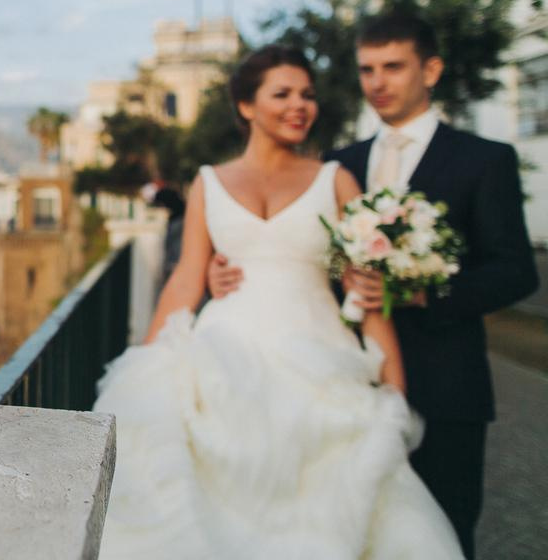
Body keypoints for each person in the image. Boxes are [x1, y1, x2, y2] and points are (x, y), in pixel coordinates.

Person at [95, 45, 463, 559]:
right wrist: (148, 361)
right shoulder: (207, 182)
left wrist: (395, 387)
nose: (300, 105)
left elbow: (363, 281)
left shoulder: (336, 180)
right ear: (247, 106)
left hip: (321, 355)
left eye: (307, 94)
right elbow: (185, 279)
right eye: (283, 94)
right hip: (225, 351)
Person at [207, 15, 538, 558]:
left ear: (430, 70)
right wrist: (217, 271)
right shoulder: (337, 163)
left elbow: (515, 270)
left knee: (444, 535)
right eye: (367, 70)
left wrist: (427, 295)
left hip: (448, 379)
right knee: (354, 531)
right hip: (344, 379)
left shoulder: (484, 160)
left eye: (393, 67)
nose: (377, 82)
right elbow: (308, 259)